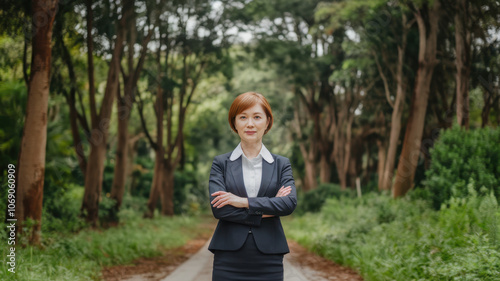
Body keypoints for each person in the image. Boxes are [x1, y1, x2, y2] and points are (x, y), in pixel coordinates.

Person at [208, 92, 297, 281]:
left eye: (257, 117)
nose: (250, 124)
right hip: (227, 257)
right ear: (234, 123)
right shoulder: (221, 163)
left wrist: (242, 202)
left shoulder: (281, 164)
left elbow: (288, 204)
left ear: (267, 122)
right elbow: (220, 210)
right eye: (243, 117)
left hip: (269, 258)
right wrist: (269, 207)